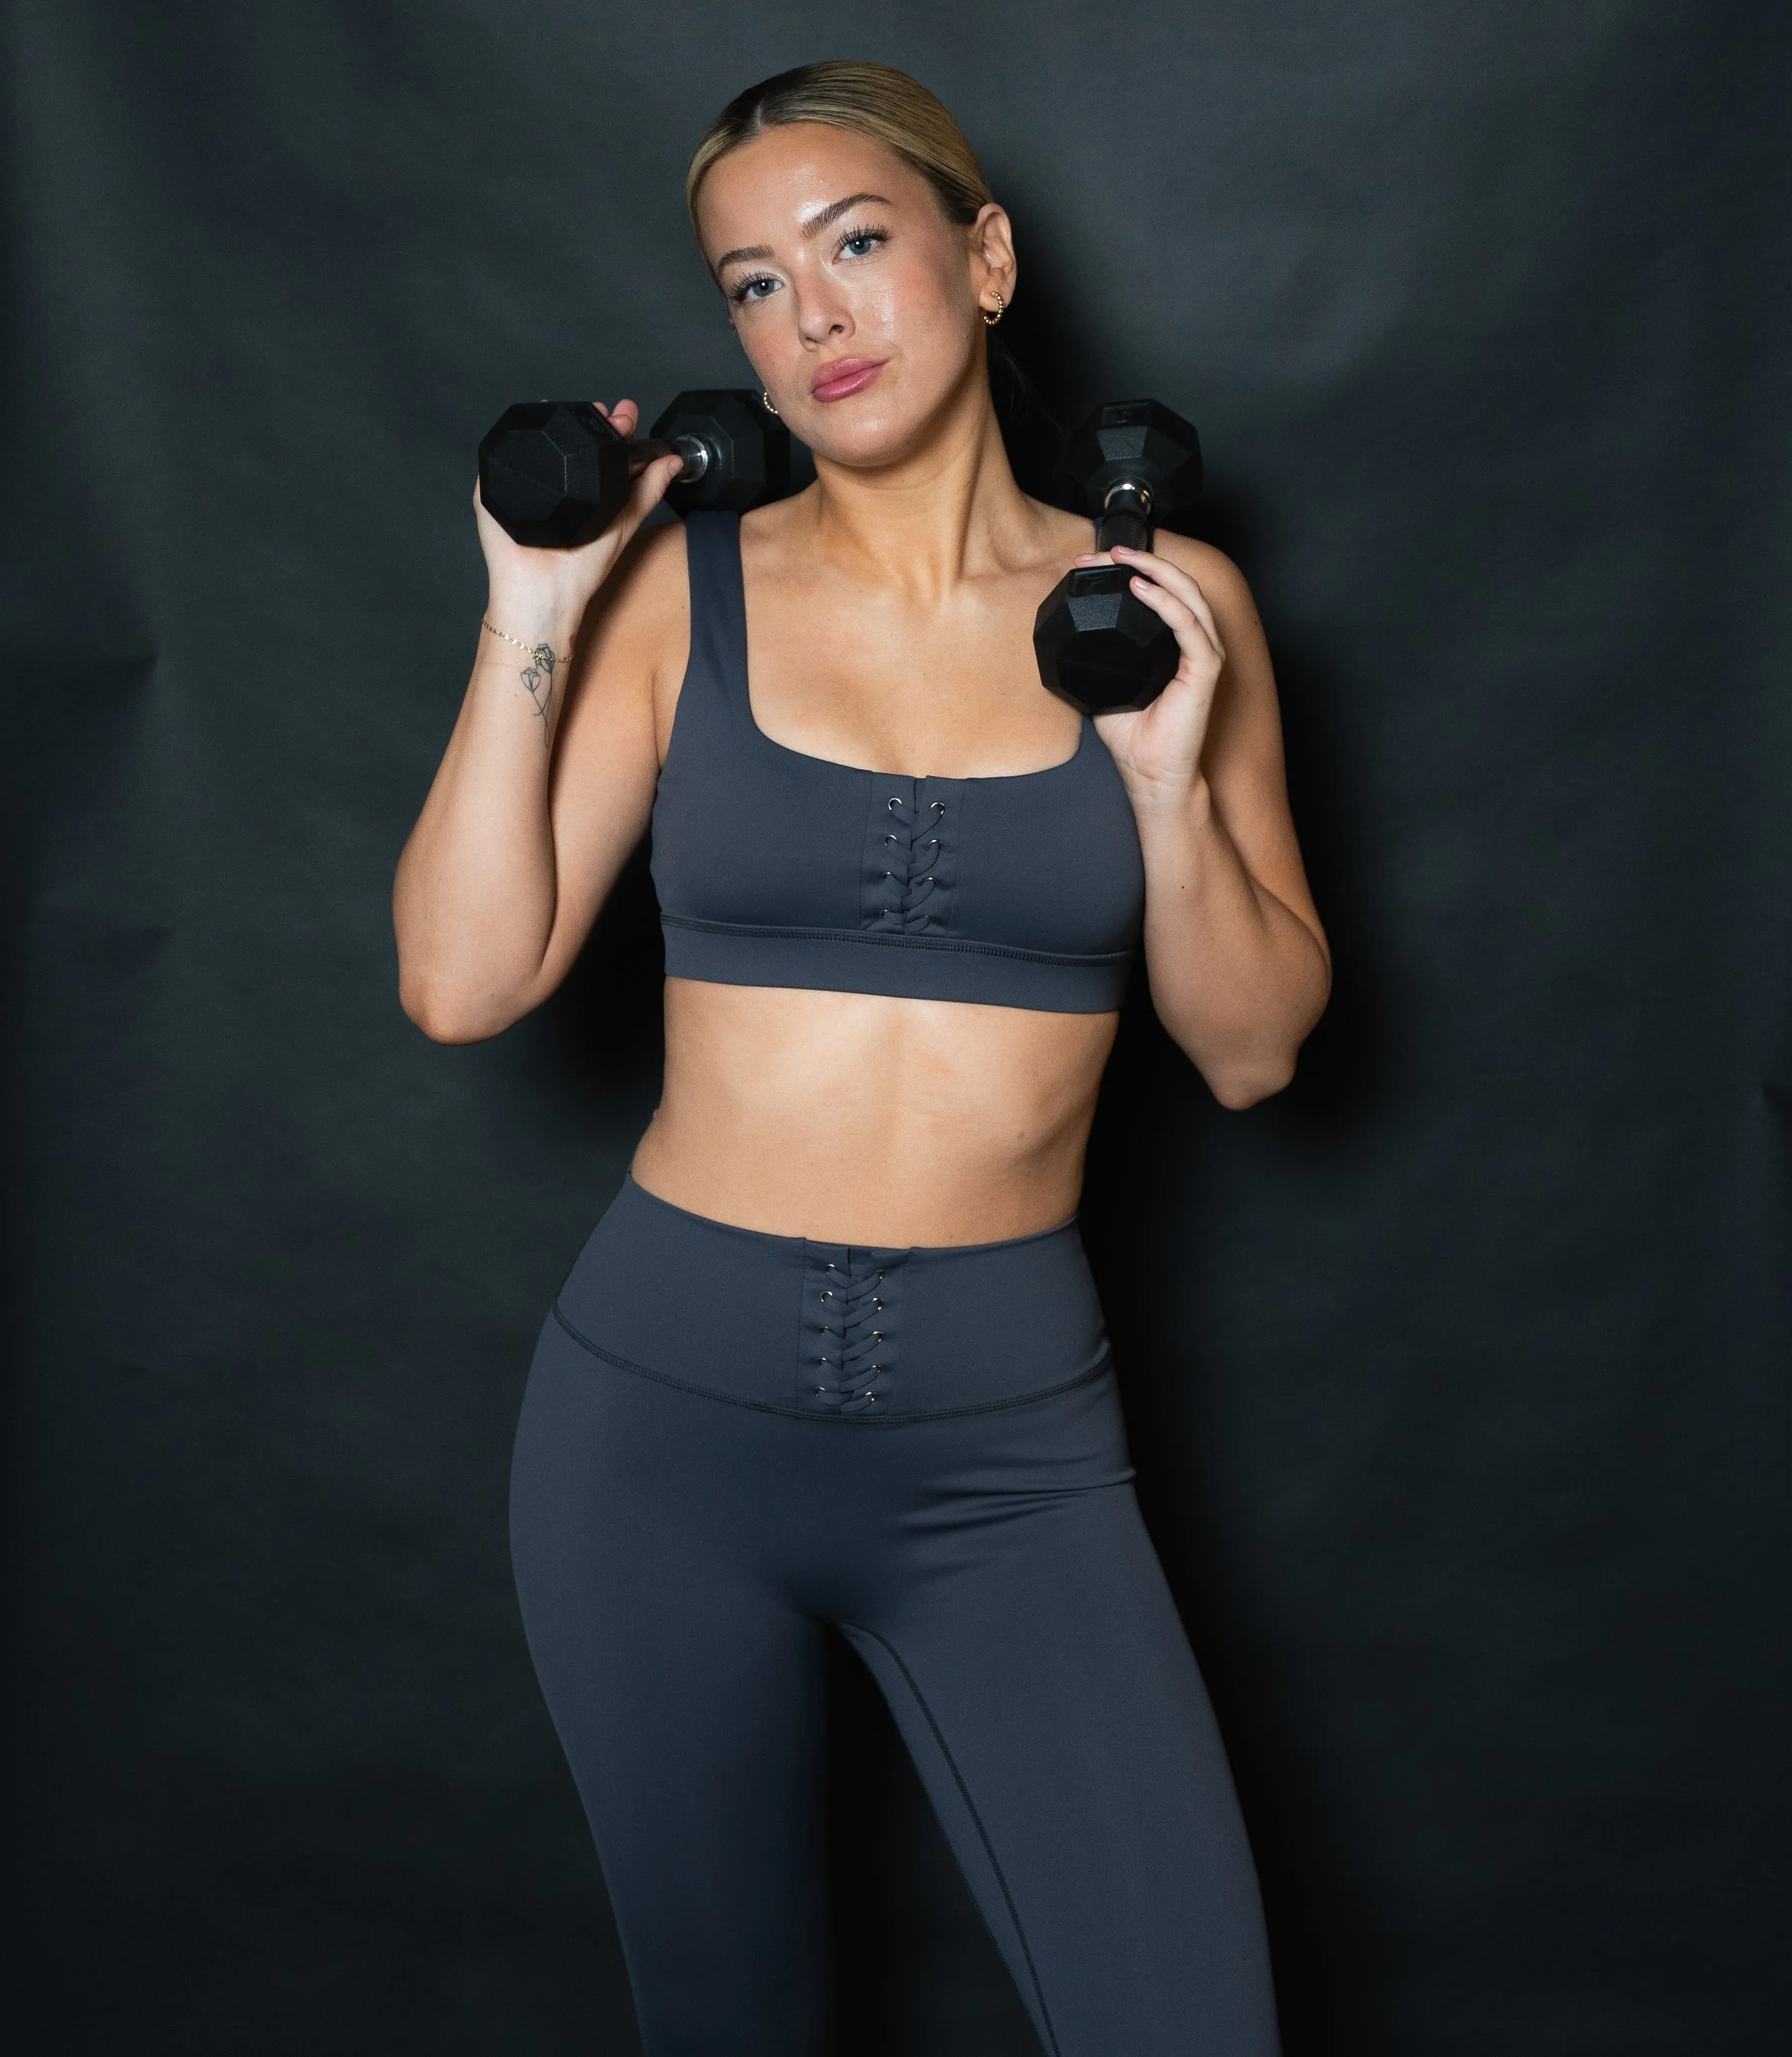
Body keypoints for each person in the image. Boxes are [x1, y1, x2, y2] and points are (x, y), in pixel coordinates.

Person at [393, 57, 1328, 2057]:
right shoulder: (672, 591)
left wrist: (1161, 787)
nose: (806, 319)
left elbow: (1250, 1055)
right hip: (655, 1436)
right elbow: (465, 985)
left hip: (1005, 1457)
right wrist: (529, 611)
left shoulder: (1168, 606)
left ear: (981, 259)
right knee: (732, 2024)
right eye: (748, 283)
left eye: (852, 247)